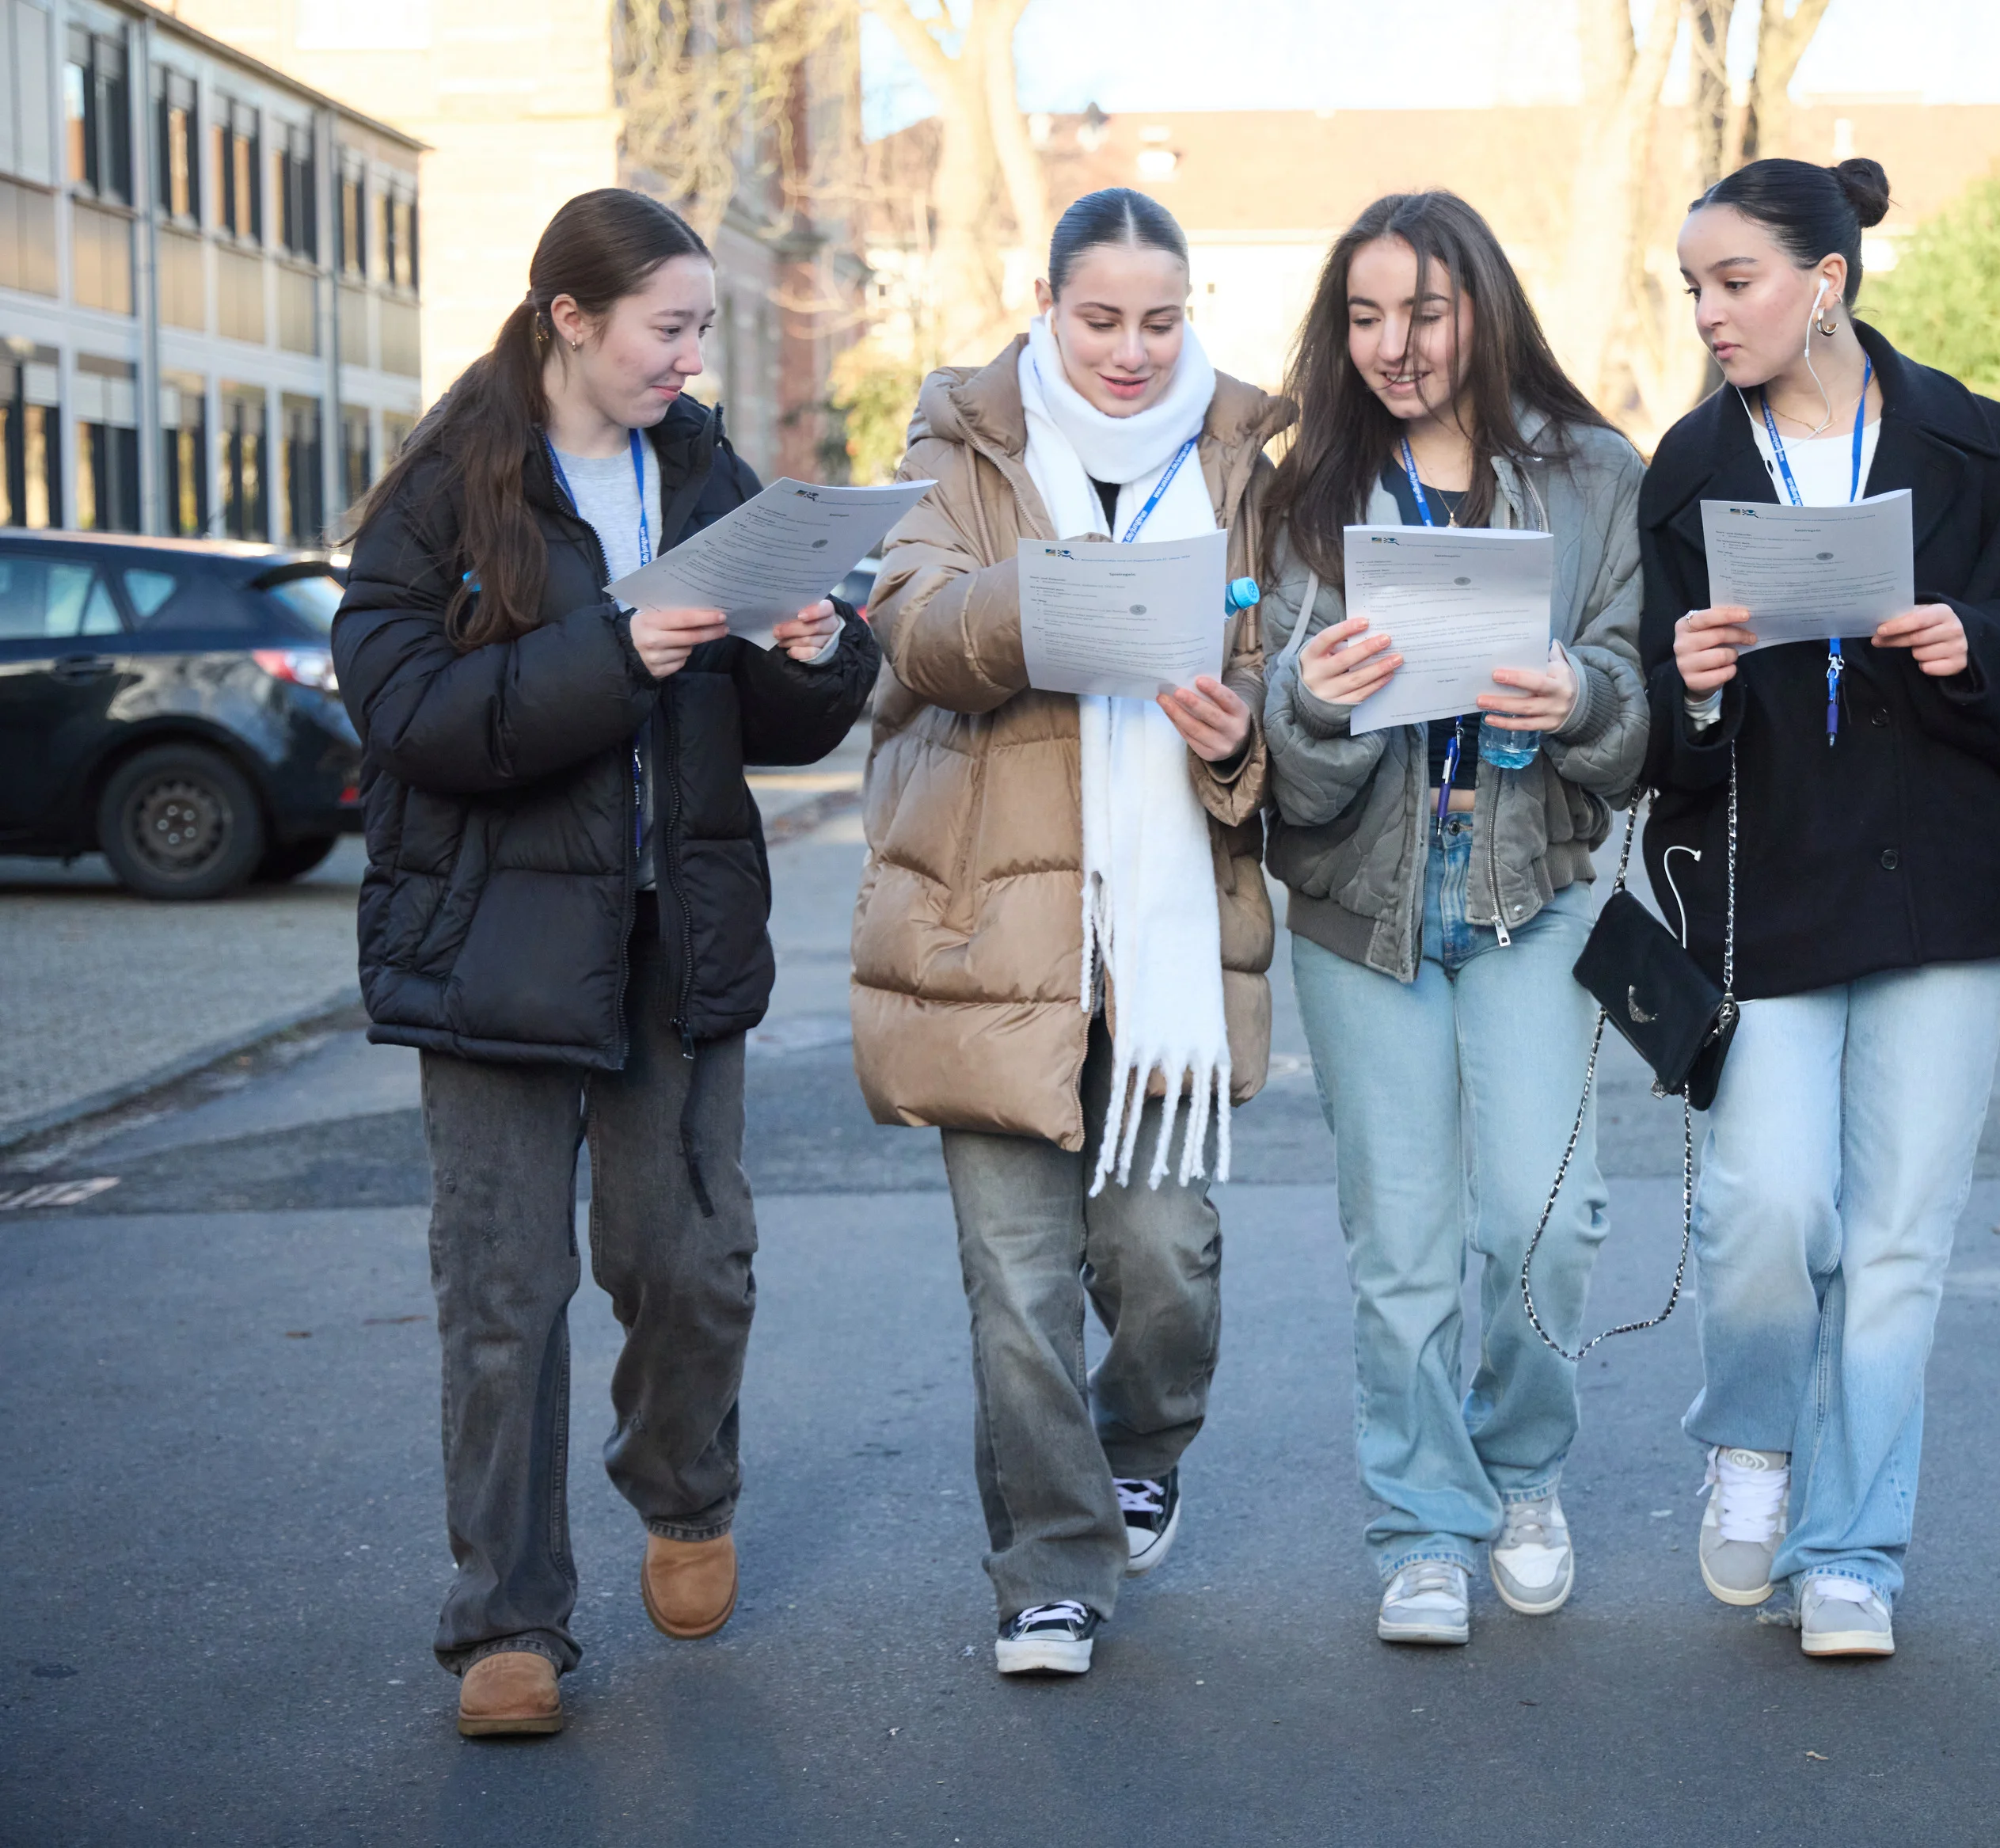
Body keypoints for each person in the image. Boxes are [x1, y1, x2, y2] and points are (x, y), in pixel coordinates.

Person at [333, 188, 877, 1739]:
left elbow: (772, 727)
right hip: (492, 946)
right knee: (503, 1297)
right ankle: (503, 1621)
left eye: (704, 327)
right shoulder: (447, 487)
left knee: (691, 1262)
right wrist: (609, 654)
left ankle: (682, 1486)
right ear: (571, 319)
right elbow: (404, 713)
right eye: (671, 328)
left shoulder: (702, 468)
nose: (692, 360)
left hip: (672, 936)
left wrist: (816, 652)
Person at [1641, 158, 2000, 1659]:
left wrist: (1976, 641)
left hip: (1944, 881)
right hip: (1766, 883)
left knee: (1900, 1233)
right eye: (1694, 286)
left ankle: (1855, 1548)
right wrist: (1691, 687)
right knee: (1768, 1201)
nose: (1708, 312)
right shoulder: (1690, 467)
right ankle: (1754, 1441)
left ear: (1823, 281)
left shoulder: (1976, 442)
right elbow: (1648, 716)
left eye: (1733, 282)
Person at [851, 188, 1289, 1679]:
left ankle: (1140, 1441)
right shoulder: (964, 443)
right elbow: (906, 630)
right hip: (992, 937)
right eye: (1100, 318)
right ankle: (1050, 1567)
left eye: (1159, 320)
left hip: (1165, 951)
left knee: (1167, 1261)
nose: (1130, 349)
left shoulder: (1246, 461)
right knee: (1018, 1283)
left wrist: (1239, 736)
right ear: (1045, 304)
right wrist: (1048, 604)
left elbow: (1280, 717)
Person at [1260, 190, 1648, 1647]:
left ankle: (1522, 1468)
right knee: (1406, 1243)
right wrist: (1315, 700)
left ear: (1481, 306)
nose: (1390, 346)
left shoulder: (1596, 474)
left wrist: (1584, 699)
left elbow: (1633, 711)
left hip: (1532, 891)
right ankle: (1423, 1524)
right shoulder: (1309, 488)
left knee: (1544, 1223)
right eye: (1362, 316)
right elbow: (1274, 751)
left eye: (1420, 311)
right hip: (1363, 906)